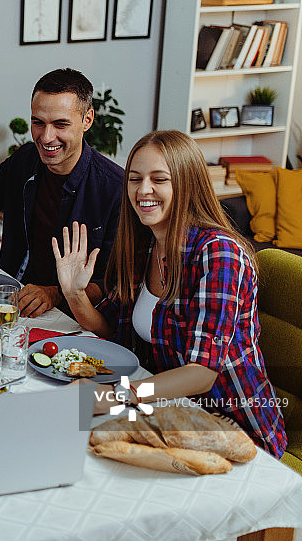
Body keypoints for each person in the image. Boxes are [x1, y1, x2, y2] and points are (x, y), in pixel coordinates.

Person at [52, 130, 286, 457]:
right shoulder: (145, 245)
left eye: (159, 179)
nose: (143, 190)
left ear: (186, 184)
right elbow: (112, 331)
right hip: (168, 413)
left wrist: (112, 396)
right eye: (135, 179)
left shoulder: (219, 255)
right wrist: (74, 294)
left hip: (235, 430)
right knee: (62, 442)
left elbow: (202, 374)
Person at [0, 68, 123, 317]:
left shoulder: (115, 188)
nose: (47, 137)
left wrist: (54, 293)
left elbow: (113, 283)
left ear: (87, 120)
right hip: (9, 301)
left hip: (75, 317)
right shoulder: (25, 159)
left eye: (60, 124)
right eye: (38, 122)